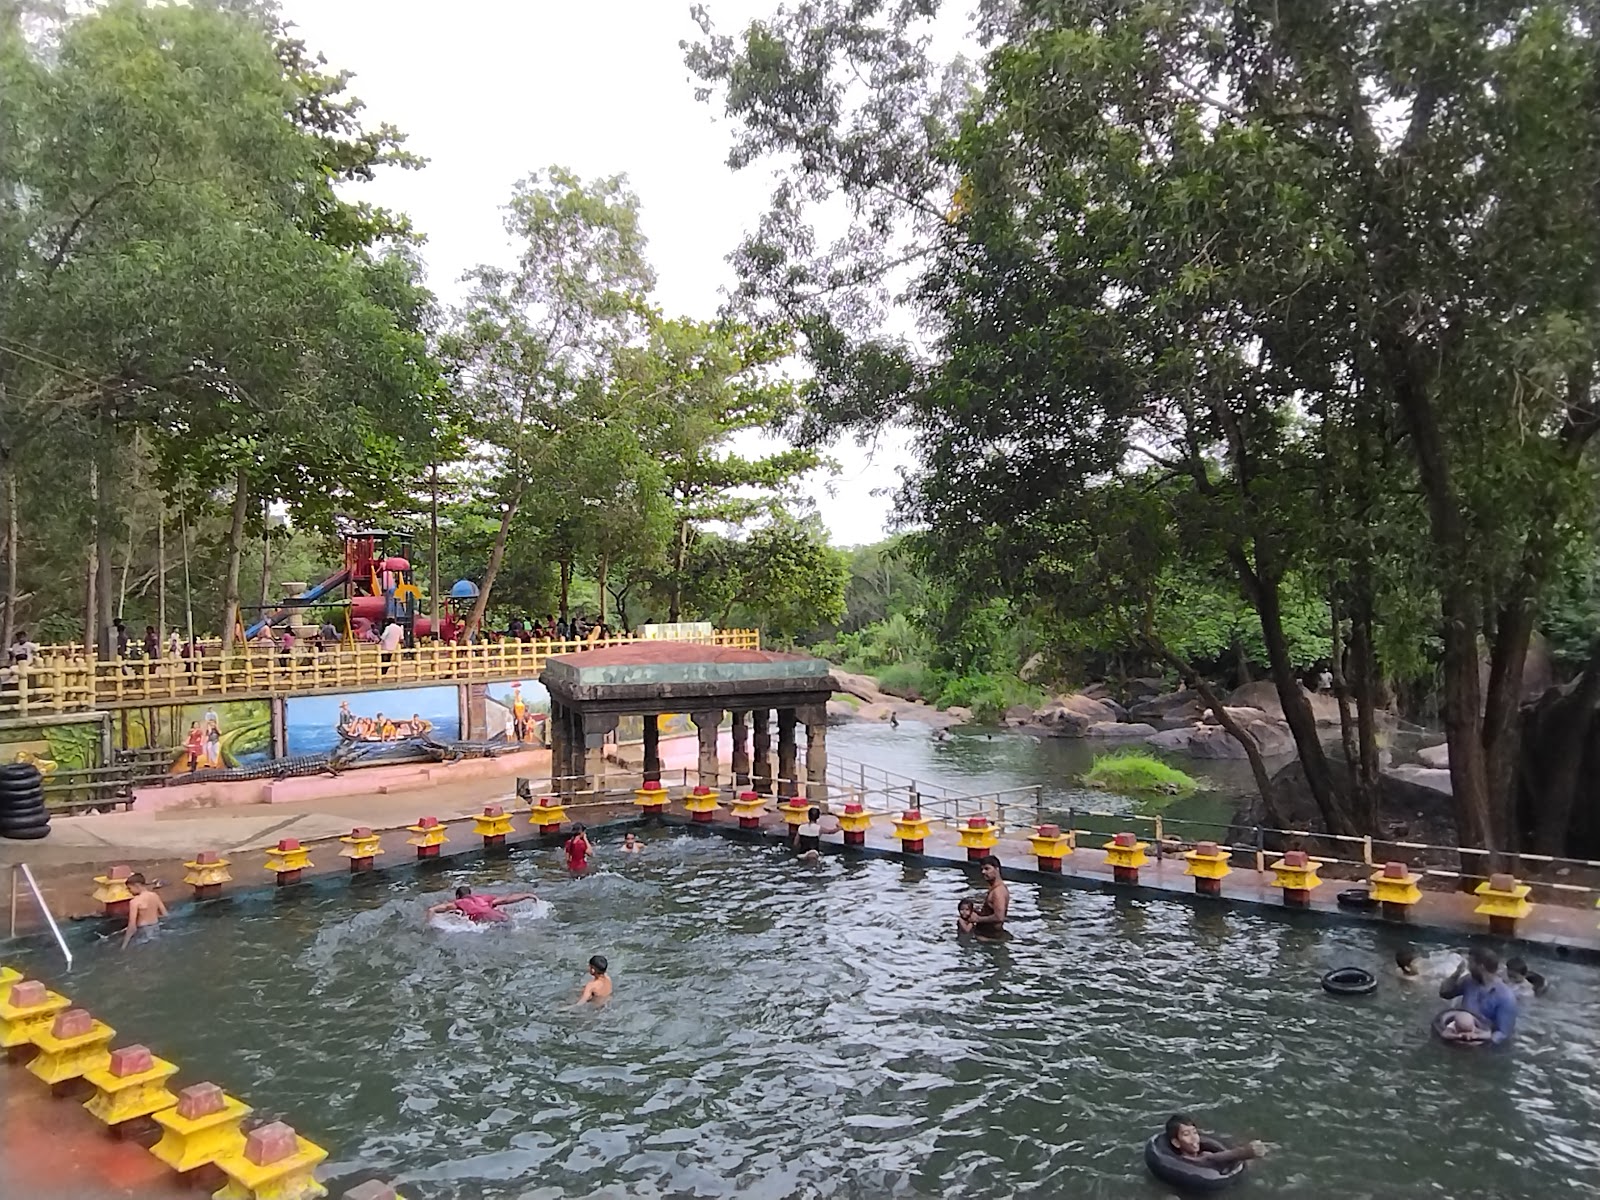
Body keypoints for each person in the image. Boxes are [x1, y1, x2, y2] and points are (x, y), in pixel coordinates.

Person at [1438, 947, 1518, 1044]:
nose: (1468, 967)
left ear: (1481, 967)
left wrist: (1476, 1041)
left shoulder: (1506, 997)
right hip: (1461, 1032)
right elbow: (1445, 993)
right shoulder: (1468, 981)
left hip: (1483, 1043)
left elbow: (1503, 1034)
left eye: (1470, 963)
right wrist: (1456, 974)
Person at [1164, 1114, 1267, 1169]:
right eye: (1186, 1134)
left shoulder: (1204, 1152)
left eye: (1194, 1132)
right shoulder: (1184, 1160)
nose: (1194, 1137)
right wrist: (1243, 1153)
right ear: (1176, 1143)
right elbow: (1209, 1159)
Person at [426, 885, 538, 924]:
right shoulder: (484, 898)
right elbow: (507, 899)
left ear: (458, 896)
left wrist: (430, 921)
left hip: (486, 921)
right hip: (502, 917)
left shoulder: (459, 903)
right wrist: (527, 895)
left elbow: (436, 909)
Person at [961, 855, 1010, 937]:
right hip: (986, 933)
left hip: (989, 936)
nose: (983, 872)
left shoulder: (998, 892)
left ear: (997, 869)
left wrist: (978, 919)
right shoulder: (995, 888)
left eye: (987, 869)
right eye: (982, 869)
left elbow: (999, 917)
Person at [120, 873, 168, 949]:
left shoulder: (134, 902)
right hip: (156, 928)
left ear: (137, 886)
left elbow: (132, 926)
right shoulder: (155, 895)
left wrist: (124, 945)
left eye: (129, 888)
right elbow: (165, 914)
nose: (129, 891)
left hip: (143, 931)